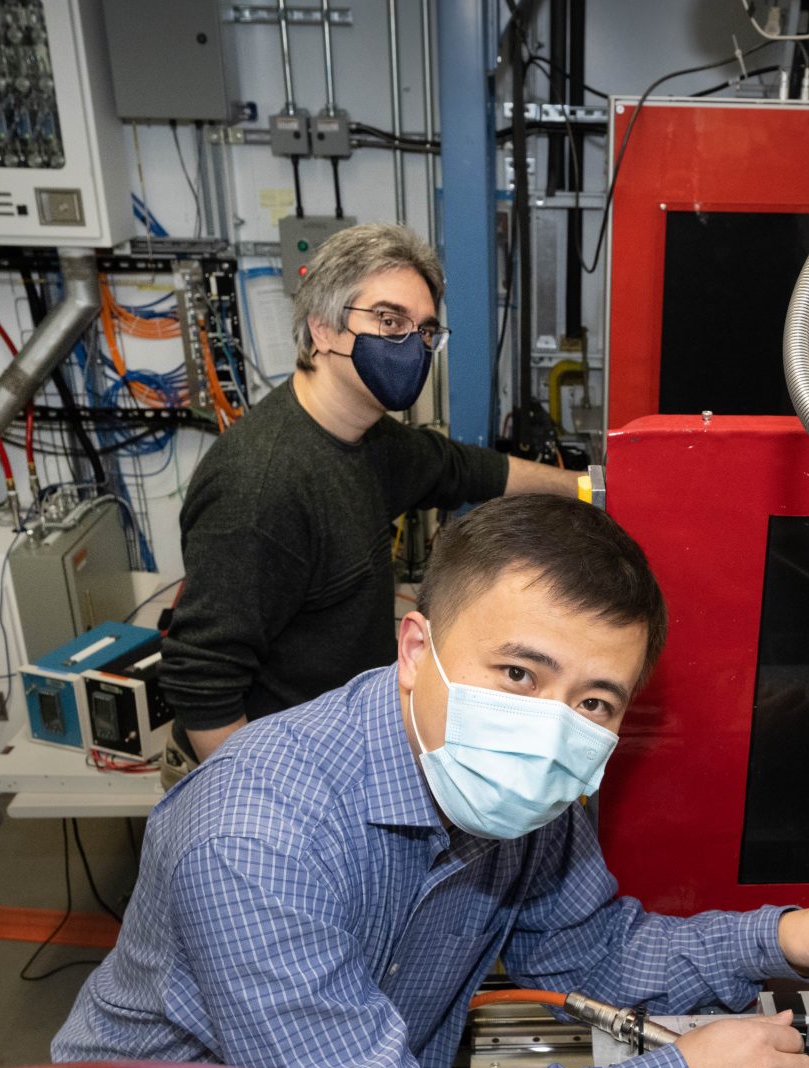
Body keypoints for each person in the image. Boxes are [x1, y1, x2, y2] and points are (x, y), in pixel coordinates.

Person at [55, 497, 809, 1068]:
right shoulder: (257, 838)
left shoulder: (526, 794)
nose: (553, 726)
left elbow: (597, 952)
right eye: (519, 672)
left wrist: (783, 939)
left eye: (595, 700)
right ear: (414, 651)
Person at [159, 223, 580, 781]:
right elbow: (203, 680)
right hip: (269, 775)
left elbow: (460, 468)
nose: (412, 345)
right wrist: (273, 811)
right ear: (323, 329)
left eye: (425, 330)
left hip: (333, 745)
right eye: (389, 321)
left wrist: (583, 487)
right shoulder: (261, 485)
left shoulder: (368, 440)